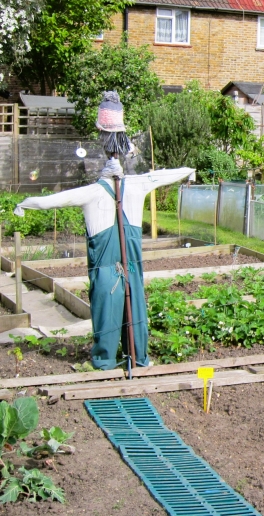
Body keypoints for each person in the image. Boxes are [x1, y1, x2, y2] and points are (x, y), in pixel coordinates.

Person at [14, 92, 194, 370]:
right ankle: (138, 358)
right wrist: (189, 170)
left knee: (107, 316)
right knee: (134, 314)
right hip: (130, 266)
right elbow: (163, 175)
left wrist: (26, 203)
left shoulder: (95, 192)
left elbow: (53, 200)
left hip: (107, 269)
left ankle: (105, 361)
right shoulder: (135, 185)